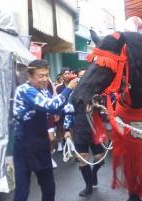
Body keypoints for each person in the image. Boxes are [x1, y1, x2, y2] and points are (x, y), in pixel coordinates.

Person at [12, 59, 78, 201]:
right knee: (22, 191)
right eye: (40, 76)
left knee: (49, 188)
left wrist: (81, 108)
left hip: (40, 145)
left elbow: (61, 108)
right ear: (29, 76)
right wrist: (69, 88)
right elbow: (52, 106)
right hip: (25, 146)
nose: (45, 79)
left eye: (47, 75)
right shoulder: (24, 90)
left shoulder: (43, 91)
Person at [63, 68, 105, 197]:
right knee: (83, 158)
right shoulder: (73, 94)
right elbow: (68, 112)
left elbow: (104, 110)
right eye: (80, 76)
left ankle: (93, 173)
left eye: (85, 75)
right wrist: (66, 130)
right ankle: (88, 186)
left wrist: (100, 107)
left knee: (99, 158)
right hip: (80, 129)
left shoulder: (97, 92)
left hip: (94, 129)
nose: (83, 78)